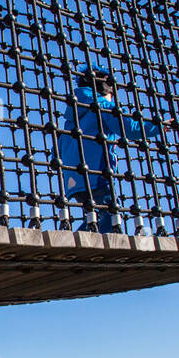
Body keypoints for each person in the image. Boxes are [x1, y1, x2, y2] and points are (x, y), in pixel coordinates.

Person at [58, 65, 161, 233]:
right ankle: (81, 244)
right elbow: (128, 127)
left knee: (94, 216)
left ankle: (79, 239)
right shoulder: (102, 105)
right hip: (96, 174)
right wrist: (157, 127)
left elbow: (59, 148)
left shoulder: (72, 117)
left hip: (73, 179)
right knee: (111, 213)